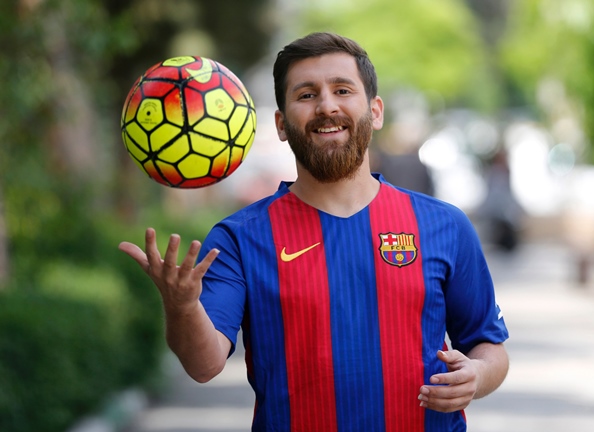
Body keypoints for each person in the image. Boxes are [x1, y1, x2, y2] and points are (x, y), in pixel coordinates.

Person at [119, 32, 509, 431]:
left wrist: (476, 376)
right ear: (282, 124)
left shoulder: (443, 225)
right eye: (306, 95)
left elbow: (490, 346)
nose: (326, 106)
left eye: (342, 90)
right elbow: (204, 366)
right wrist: (182, 306)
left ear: (375, 111)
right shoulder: (240, 238)